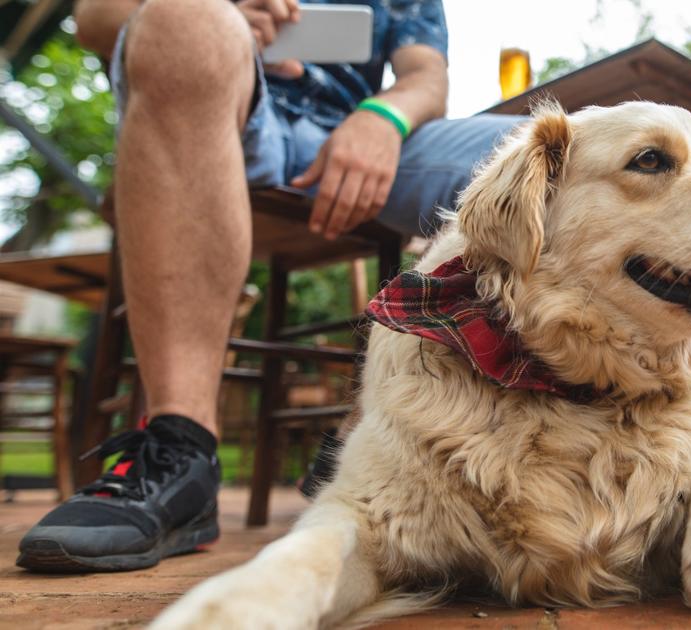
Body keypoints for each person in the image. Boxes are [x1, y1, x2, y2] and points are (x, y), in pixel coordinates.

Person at [16, 0, 520, 573]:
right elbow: (97, 19)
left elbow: (426, 77)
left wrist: (386, 116)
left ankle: (513, 455)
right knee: (187, 21)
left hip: (364, 130)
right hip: (223, 107)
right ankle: (181, 449)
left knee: (553, 161)